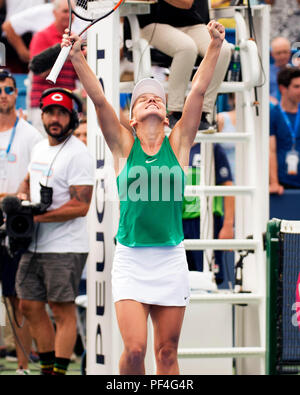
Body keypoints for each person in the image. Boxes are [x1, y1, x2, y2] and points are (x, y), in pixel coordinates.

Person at [63, 17, 225, 374]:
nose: (151, 100)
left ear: (167, 116)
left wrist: (214, 46)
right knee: (135, 350)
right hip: (132, 261)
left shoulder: (179, 144)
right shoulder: (123, 145)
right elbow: (100, 101)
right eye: (142, 99)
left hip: (170, 259)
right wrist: (76, 57)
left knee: (166, 353)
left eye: (157, 98)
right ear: (133, 119)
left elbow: (197, 91)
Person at [15, 87, 94, 376]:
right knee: (28, 305)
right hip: (35, 244)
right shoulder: (39, 148)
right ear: (43, 115)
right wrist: (22, 198)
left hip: (65, 246)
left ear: (73, 118)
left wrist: (37, 219)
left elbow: (81, 206)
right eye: (50, 112)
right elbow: (27, 179)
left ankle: (58, 372)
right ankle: (48, 368)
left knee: (62, 311)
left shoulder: (78, 154)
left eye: (62, 113)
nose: (55, 118)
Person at [0, 69, 43, 375]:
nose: (3, 93)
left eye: (8, 88)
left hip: (16, 225)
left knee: (19, 300)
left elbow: (41, 177)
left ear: (17, 94)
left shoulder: (30, 135)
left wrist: (19, 195)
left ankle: (24, 366)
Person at [136, 0, 232, 131]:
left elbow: (186, 2)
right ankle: (175, 112)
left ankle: (203, 113)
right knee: (186, 47)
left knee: (223, 49)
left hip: (192, 23)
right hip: (153, 24)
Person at [182, 143, 234, 284]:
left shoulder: (212, 147)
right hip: (177, 221)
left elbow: (228, 186)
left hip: (206, 221)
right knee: (179, 278)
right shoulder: (173, 145)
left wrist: (228, 225)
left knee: (208, 278)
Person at [28, 0, 78, 134]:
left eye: (72, 12)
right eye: (65, 11)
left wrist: (80, 57)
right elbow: (39, 71)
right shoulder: (42, 36)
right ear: (54, 13)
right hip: (43, 105)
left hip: (67, 104)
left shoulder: (75, 39)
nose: (69, 15)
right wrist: (64, 55)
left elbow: (77, 76)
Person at [269, 67, 300, 195]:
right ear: (283, 88)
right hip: (282, 185)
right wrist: (274, 182)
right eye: (296, 87)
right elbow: (271, 150)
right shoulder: (273, 114)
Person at [270, 37, 292, 105]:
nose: (282, 56)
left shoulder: (296, 73)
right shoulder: (265, 73)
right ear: (272, 54)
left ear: (290, 52)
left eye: (285, 52)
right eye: (279, 53)